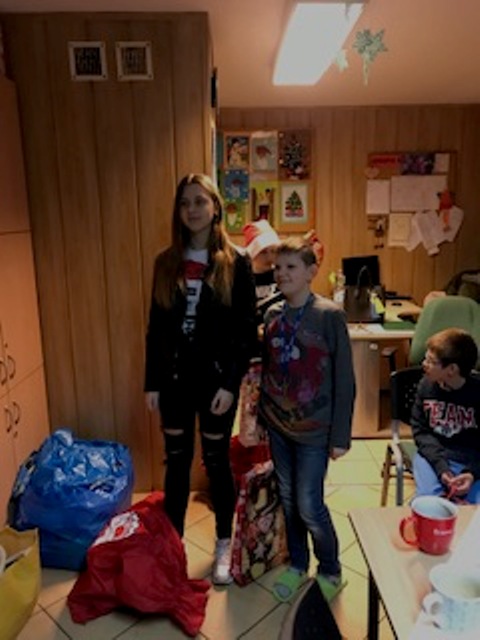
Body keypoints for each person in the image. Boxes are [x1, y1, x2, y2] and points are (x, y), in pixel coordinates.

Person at [144, 173, 257, 585]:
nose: (192, 209)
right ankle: (172, 546)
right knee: (176, 461)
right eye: (185, 202)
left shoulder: (237, 262)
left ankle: (224, 542)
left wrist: (230, 383)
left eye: (199, 201)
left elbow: (246, 332)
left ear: (215, 207)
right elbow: (156, 327)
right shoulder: (165, 262)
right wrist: (152, 382)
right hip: (174, 380)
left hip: (215, 383)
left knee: (216, 461)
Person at [258, 237, 356, 603]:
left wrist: (340, 436)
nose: (281, 274)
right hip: (278, 426)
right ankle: (298, 563)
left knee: (309, 504)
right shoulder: (271, 314)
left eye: (291, 267)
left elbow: (345, 379)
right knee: (287, 499)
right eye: (277, 267)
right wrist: (261, 418)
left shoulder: (329, 316)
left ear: (311, 272)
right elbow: (268, 370)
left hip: (315, 431)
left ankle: (330, 569)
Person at [411, 328, 480, 503]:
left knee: (472, 507)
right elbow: (421, 431)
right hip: (432, 456)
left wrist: (472, 473)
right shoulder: (426, 386)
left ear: (452, 369)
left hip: (472, 459)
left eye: (431, 361)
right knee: (430, 500)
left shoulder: (477, 392)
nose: (424, 364)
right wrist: (441, 467)